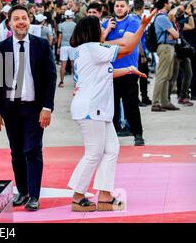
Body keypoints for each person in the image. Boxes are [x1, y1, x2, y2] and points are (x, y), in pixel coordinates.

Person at [67, 11, 156, 212]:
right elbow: (128, 46)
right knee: (94, 153)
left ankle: (105, 195)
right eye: (100, 26)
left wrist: (129, 70)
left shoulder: (87, 50)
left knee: (111, 149)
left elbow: (104, 73)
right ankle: (78, 196)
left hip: (96, 108)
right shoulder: (94, 48)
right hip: (91, 108)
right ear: (93, 30)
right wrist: (142, 26)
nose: (103, 29)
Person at [0, 5, 57, 211]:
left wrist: (47, 107)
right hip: (10, 108)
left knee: (33, 150)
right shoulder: (0, 47)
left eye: (24, 18)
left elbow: (50, 77)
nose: (20, 22)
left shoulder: (41, 45)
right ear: (9, 23)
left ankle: (34, 195)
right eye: (16, 18)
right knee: (16, 152)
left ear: (29, 21)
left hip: (34, 108)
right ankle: (23, 191)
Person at [104, 0, 145, 146]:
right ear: (113, 8)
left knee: (131, 106)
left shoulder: (133, 21)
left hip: (129, 71)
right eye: (117, 6)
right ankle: (112, 137)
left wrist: (105, 43)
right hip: (111, 72)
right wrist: (107, 29)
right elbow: (97, 40)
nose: (119, 8)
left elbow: (126, 42)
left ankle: (138, 135)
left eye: (122, 6)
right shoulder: (107, 22)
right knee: (112, 107)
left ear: (128, 8)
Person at [151, 0, 180, 112]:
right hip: (166, 47)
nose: (171, 5)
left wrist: (173, 33)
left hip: (167, 47)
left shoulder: (161, 17)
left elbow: (174, 34)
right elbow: (176, 34)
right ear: (165, 4)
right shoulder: (162, 17)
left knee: (166, 76)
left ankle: (164, 102)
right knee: (162, 76)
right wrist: (173, 33)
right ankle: (156, 103)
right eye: (170, 3)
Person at [57, 10, 76, 87]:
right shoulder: (75, 24)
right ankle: (76, 82)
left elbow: (60, 37)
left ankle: (61, 82)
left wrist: (58, 47)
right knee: (74, 64)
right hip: (72, 46)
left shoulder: (61, 25)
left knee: (63, 65)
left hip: (63, 46)